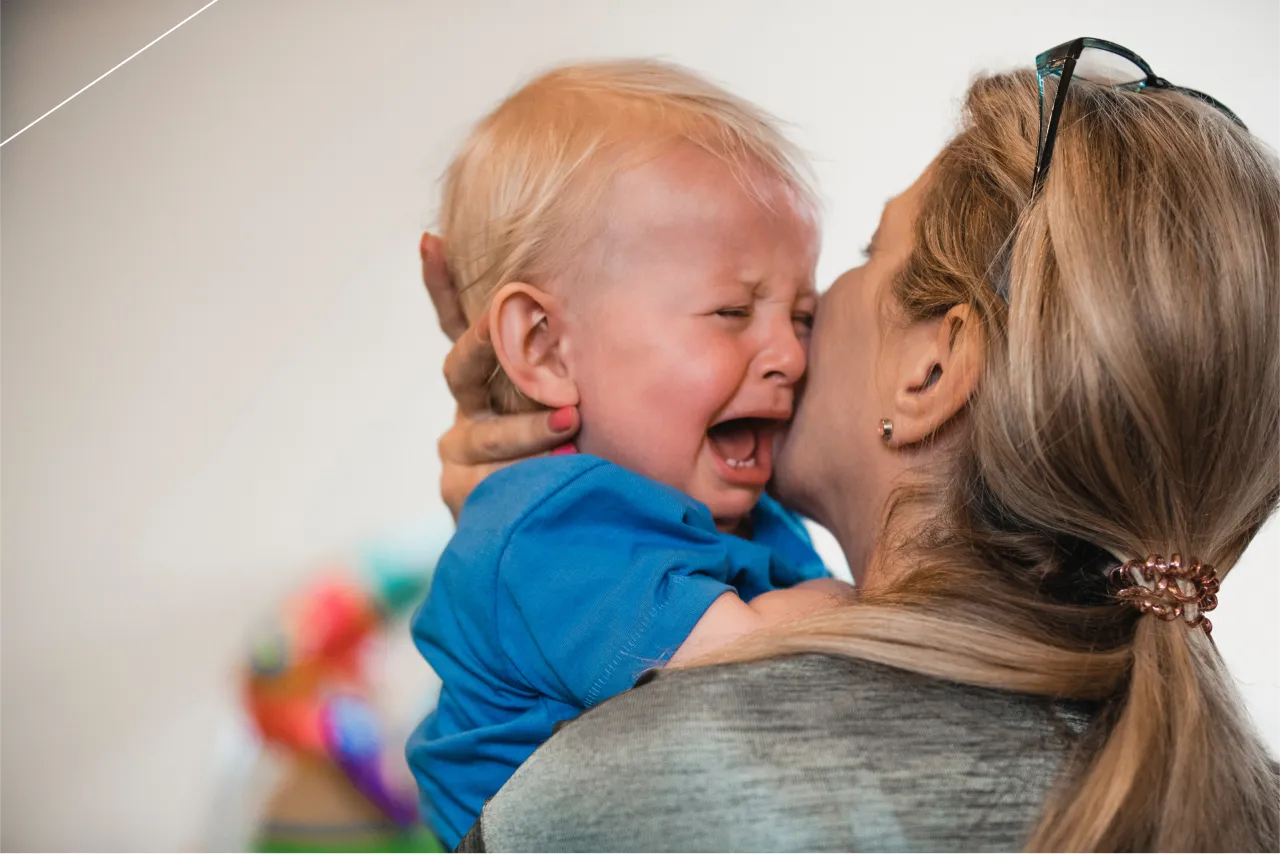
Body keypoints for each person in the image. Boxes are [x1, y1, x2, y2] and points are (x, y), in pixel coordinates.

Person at [422, 43, 1280, 851]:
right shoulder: (1227, 788)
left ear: (931, 369)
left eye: (864, 257)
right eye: (732, 311)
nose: (791, 347)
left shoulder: (662, 786)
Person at [406, 60, 854, 849]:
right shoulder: (547, 526)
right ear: (544, 347)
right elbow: (755, 665)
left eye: (804, 313)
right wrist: (884, 602)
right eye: (731, 309)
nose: (788, 351)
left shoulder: (754, 515)